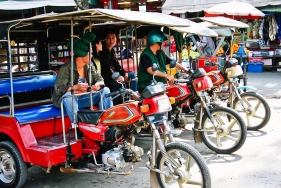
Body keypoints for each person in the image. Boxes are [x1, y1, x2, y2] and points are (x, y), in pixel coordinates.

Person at [53, 32, 113, 123]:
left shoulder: (89, 65)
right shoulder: (66, 68)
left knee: (105, 90)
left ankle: (107, 122)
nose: (92, 55)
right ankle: (78, 126)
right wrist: (75, 87)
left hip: (84, 97)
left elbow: (99, 79)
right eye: (91, 53)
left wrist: (97, 85)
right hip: (68, 100)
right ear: (83, 55)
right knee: (69, 96)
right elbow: (58, 89)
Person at [137, 29, 189, 94]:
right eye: (162, 42)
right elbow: (150, 69)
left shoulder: (160, 52)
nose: (163, 44)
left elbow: (171, 62)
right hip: (147, 86)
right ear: (156, 42)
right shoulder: (145, 55)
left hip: (159, 85)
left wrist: (186, 69)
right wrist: (166, 75)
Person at [99, 31, 137, 105]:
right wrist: (118, 77)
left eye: (113, 38)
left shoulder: (112, 50)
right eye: (108, 38)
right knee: (117, 84)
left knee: (131, 76)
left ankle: (133, 98)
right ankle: (118, 105)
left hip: (114, 75)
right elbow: (107, 68)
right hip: (106, 77)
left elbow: (117, 65)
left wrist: (124, 73)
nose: (111, 41)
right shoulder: (103, 52)